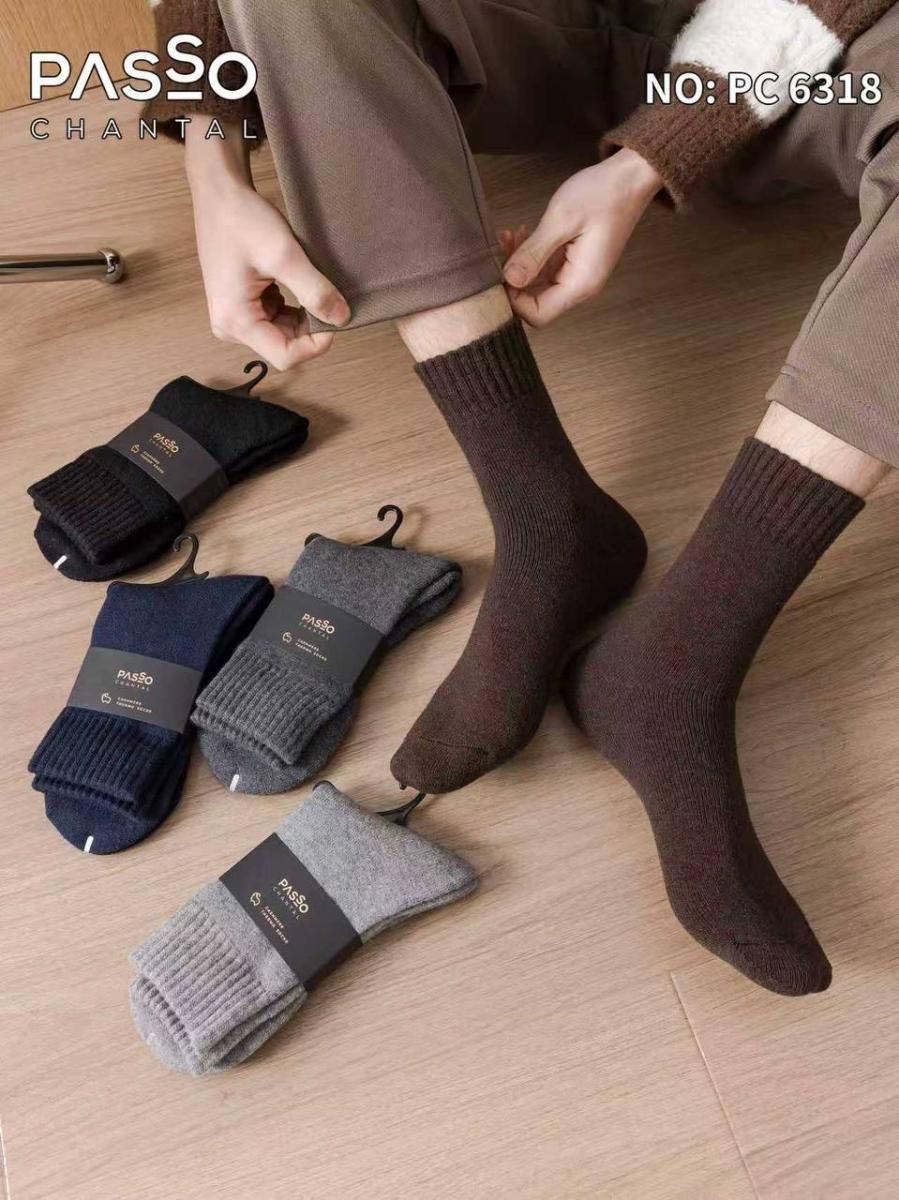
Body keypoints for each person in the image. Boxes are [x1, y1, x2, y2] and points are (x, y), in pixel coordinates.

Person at [144, 0, 898, 994]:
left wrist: (653, 154)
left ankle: (680, 652)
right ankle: (546, 515)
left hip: (823, 50)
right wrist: (212, 159)